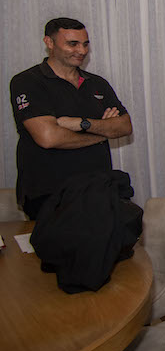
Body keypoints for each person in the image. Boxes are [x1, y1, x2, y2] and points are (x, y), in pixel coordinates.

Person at [10, 17, 132, 219]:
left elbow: (125, 126)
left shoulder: (97, 84)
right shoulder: (28, 82)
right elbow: (48, 138)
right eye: (72, 44)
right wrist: (102, 133)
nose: (82, 51)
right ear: (49, 43)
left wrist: (79, 123)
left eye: (85, 44)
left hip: (97, 191)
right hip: (49, 194)